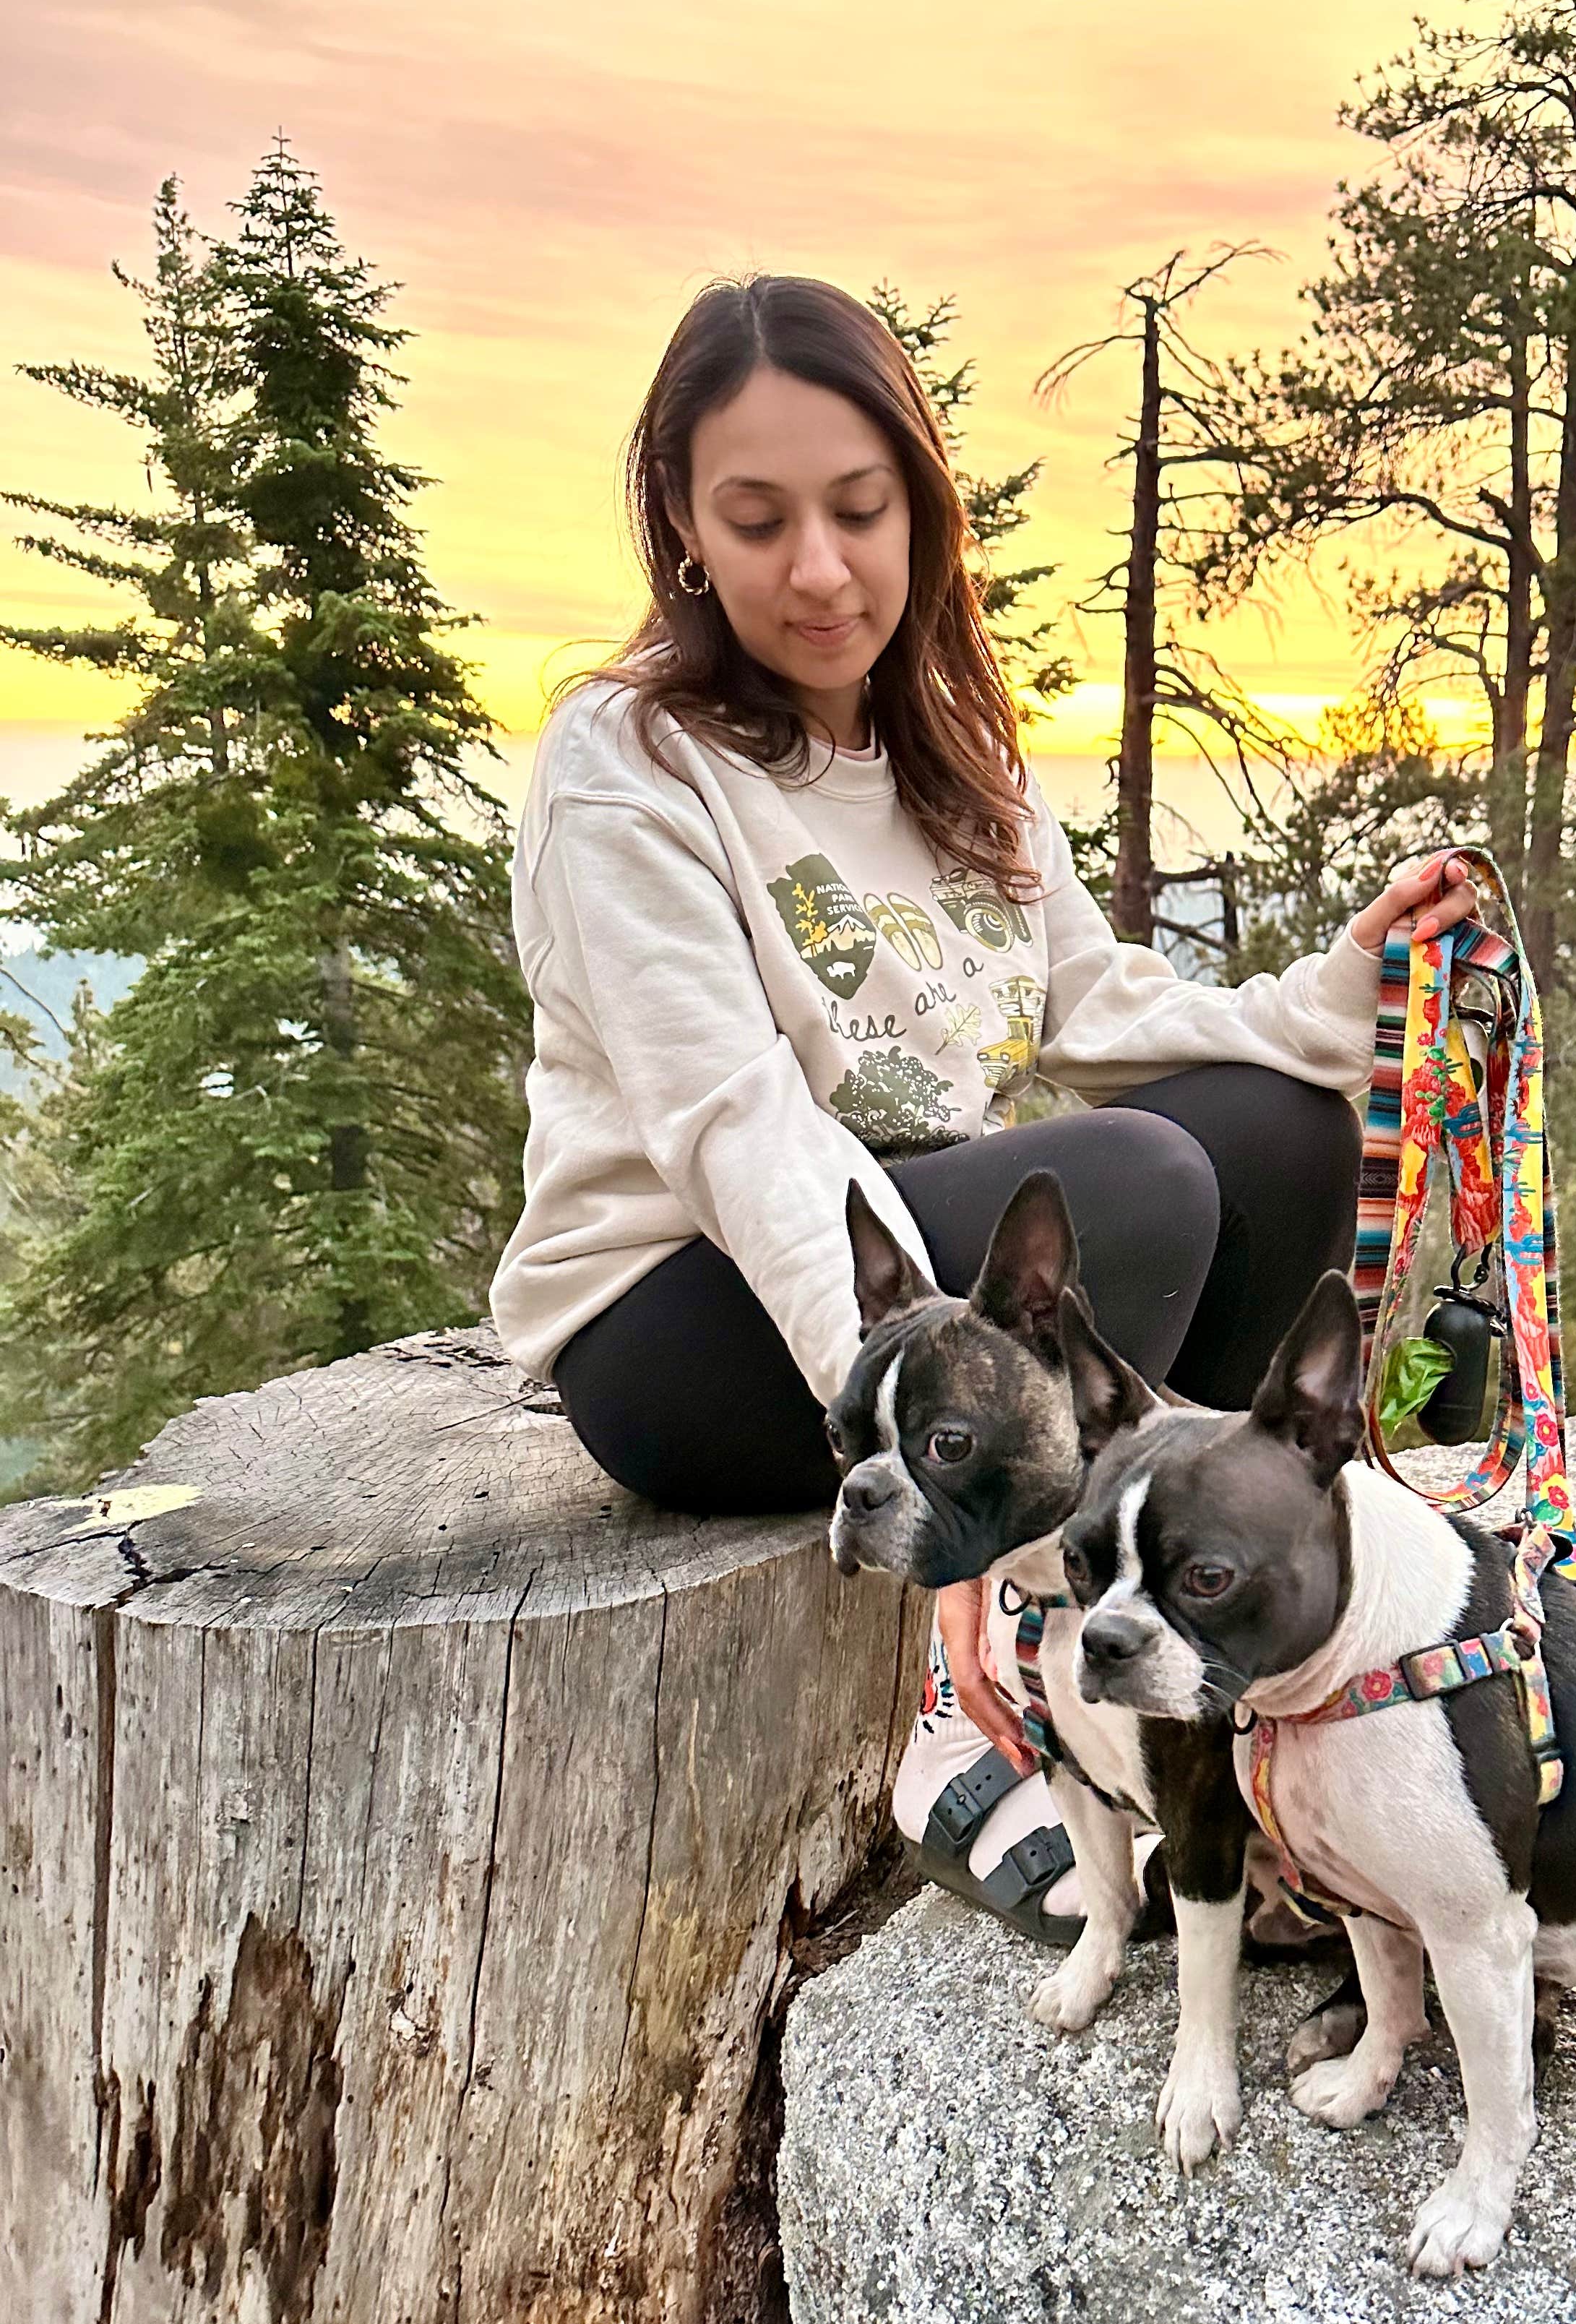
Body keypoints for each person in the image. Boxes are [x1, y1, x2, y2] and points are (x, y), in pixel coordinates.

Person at [490, 274, 1476, 1939]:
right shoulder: (631, 764)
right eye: (760, 518)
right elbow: (736, 1124)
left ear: (921, 511)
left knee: (1277, 1127)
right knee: (1143, 1184)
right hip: (685, 1306)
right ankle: (1007, 1686)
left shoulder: (955, 761)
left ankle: (1215, 1646)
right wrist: (918, 1439)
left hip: (904, 1244)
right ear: (680, 525)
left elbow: (1098, 1010)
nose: (820, 569)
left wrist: (1335, 1002)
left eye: (861, 510)